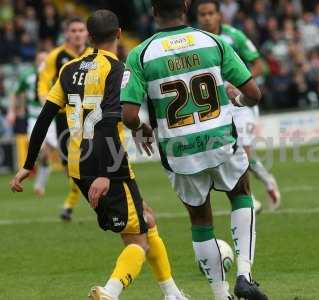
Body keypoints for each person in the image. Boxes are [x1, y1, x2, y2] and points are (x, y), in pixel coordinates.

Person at [10, 9, 187, 300]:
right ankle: (110, 292)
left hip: (79, 166)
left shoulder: (69, 69)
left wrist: (28, 165)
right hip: (109, 164)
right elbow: (107, 123)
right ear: (119, 34)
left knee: (146, 218)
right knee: (137, 241)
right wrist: (106, 174)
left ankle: (172, 293)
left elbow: (43, 118)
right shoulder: (118, 69)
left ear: (89, 38)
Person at [121, 1, 269, 299]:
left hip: (179, 150)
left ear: (153, 11)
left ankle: (220, 294)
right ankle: (244, 274)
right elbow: (254, 93)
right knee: (241, 195)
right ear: (186, 7)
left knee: (200, 219)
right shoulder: (212, 41)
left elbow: (127, 114)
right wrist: (237, 101)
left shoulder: (140, 54)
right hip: (220, 140)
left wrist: (141, 128)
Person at [196, 0, 281, 211]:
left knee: (242, 149)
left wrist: (239, 82)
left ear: (219, 16)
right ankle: (261, 186)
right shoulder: (195, 41)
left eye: (210, 13)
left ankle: (253, 195)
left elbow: (259, 65)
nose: (207, 18)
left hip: (242, 102)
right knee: (224, 151)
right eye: (203, 14)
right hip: (215, 104)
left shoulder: (235, 36)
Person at [38, 17, 92, 221]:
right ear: (67, 33)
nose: (78, 34)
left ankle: (69, 205)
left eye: (81, 30)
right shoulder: (55, 56)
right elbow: (43, 82)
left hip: (89, 115)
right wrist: (46, 98)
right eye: (74, 30)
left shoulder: (93, 56)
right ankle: (74, 202)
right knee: (72, 166)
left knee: (89, 160)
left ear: (87, 33)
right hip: (64, 117)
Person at [7, 51, 57, 197]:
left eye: (45, 60)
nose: (43, 63)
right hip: (33, 118)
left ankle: (40, 183)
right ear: (36, 61)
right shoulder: (27, 75)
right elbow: (15, 92)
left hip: (52, 119)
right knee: (41, 150)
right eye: (40, 60)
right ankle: (39, 183)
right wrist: (12, 111)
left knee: (48, 153)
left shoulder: (54, 76)